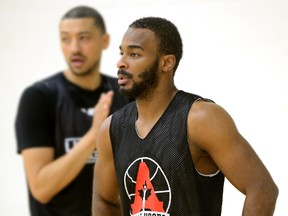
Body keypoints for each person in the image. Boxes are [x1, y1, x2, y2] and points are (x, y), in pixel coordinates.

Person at [92, 16, 278, 216]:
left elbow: (262, 189)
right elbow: (104, 200)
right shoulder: (112, 128)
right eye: (122, 53)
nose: (121, 63)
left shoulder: (201, 118)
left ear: (167, 63)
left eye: (134, 54)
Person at [15, 5, 131, 216]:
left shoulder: (126, 94)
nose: (74, 48)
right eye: (65, 39)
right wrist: (93, 135)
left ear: (104, 41)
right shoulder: (38, 97)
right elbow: (41, 189)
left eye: (84, 38)